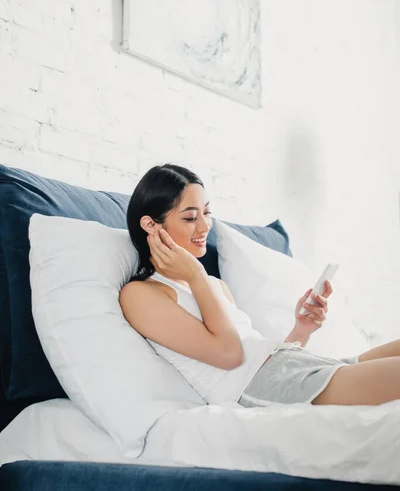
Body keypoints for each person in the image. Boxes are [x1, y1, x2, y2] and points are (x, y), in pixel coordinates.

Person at [120, 163, 400, 407]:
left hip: (289, 367)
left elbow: (254, 353)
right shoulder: (141, 294)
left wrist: (301, 330)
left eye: (207, 213)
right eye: (191, 217)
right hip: (260, 387)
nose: (205, 227)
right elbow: (230, 356)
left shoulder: (216, 286)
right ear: (150, 225)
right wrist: (196, 275)